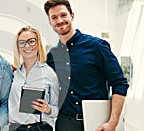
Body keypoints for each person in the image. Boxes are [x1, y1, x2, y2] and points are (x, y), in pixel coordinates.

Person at [43, 0, 129, 131]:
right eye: (54, 17)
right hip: (65, 123)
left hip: (97, 122)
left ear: (72, 16)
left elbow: (119, 83)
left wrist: (113, 121)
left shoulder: (97, 46)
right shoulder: (51, 56)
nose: (59, 20)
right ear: (49, 22)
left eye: (63, 15)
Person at [8, 26, 59, 131]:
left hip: (40, 128)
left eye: (31, 41)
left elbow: (57, 109)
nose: (27, 46)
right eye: (22, 42)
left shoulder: (49, 74)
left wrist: (48, 109)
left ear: (38, 44)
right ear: (17, 47)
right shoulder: (13, 72)